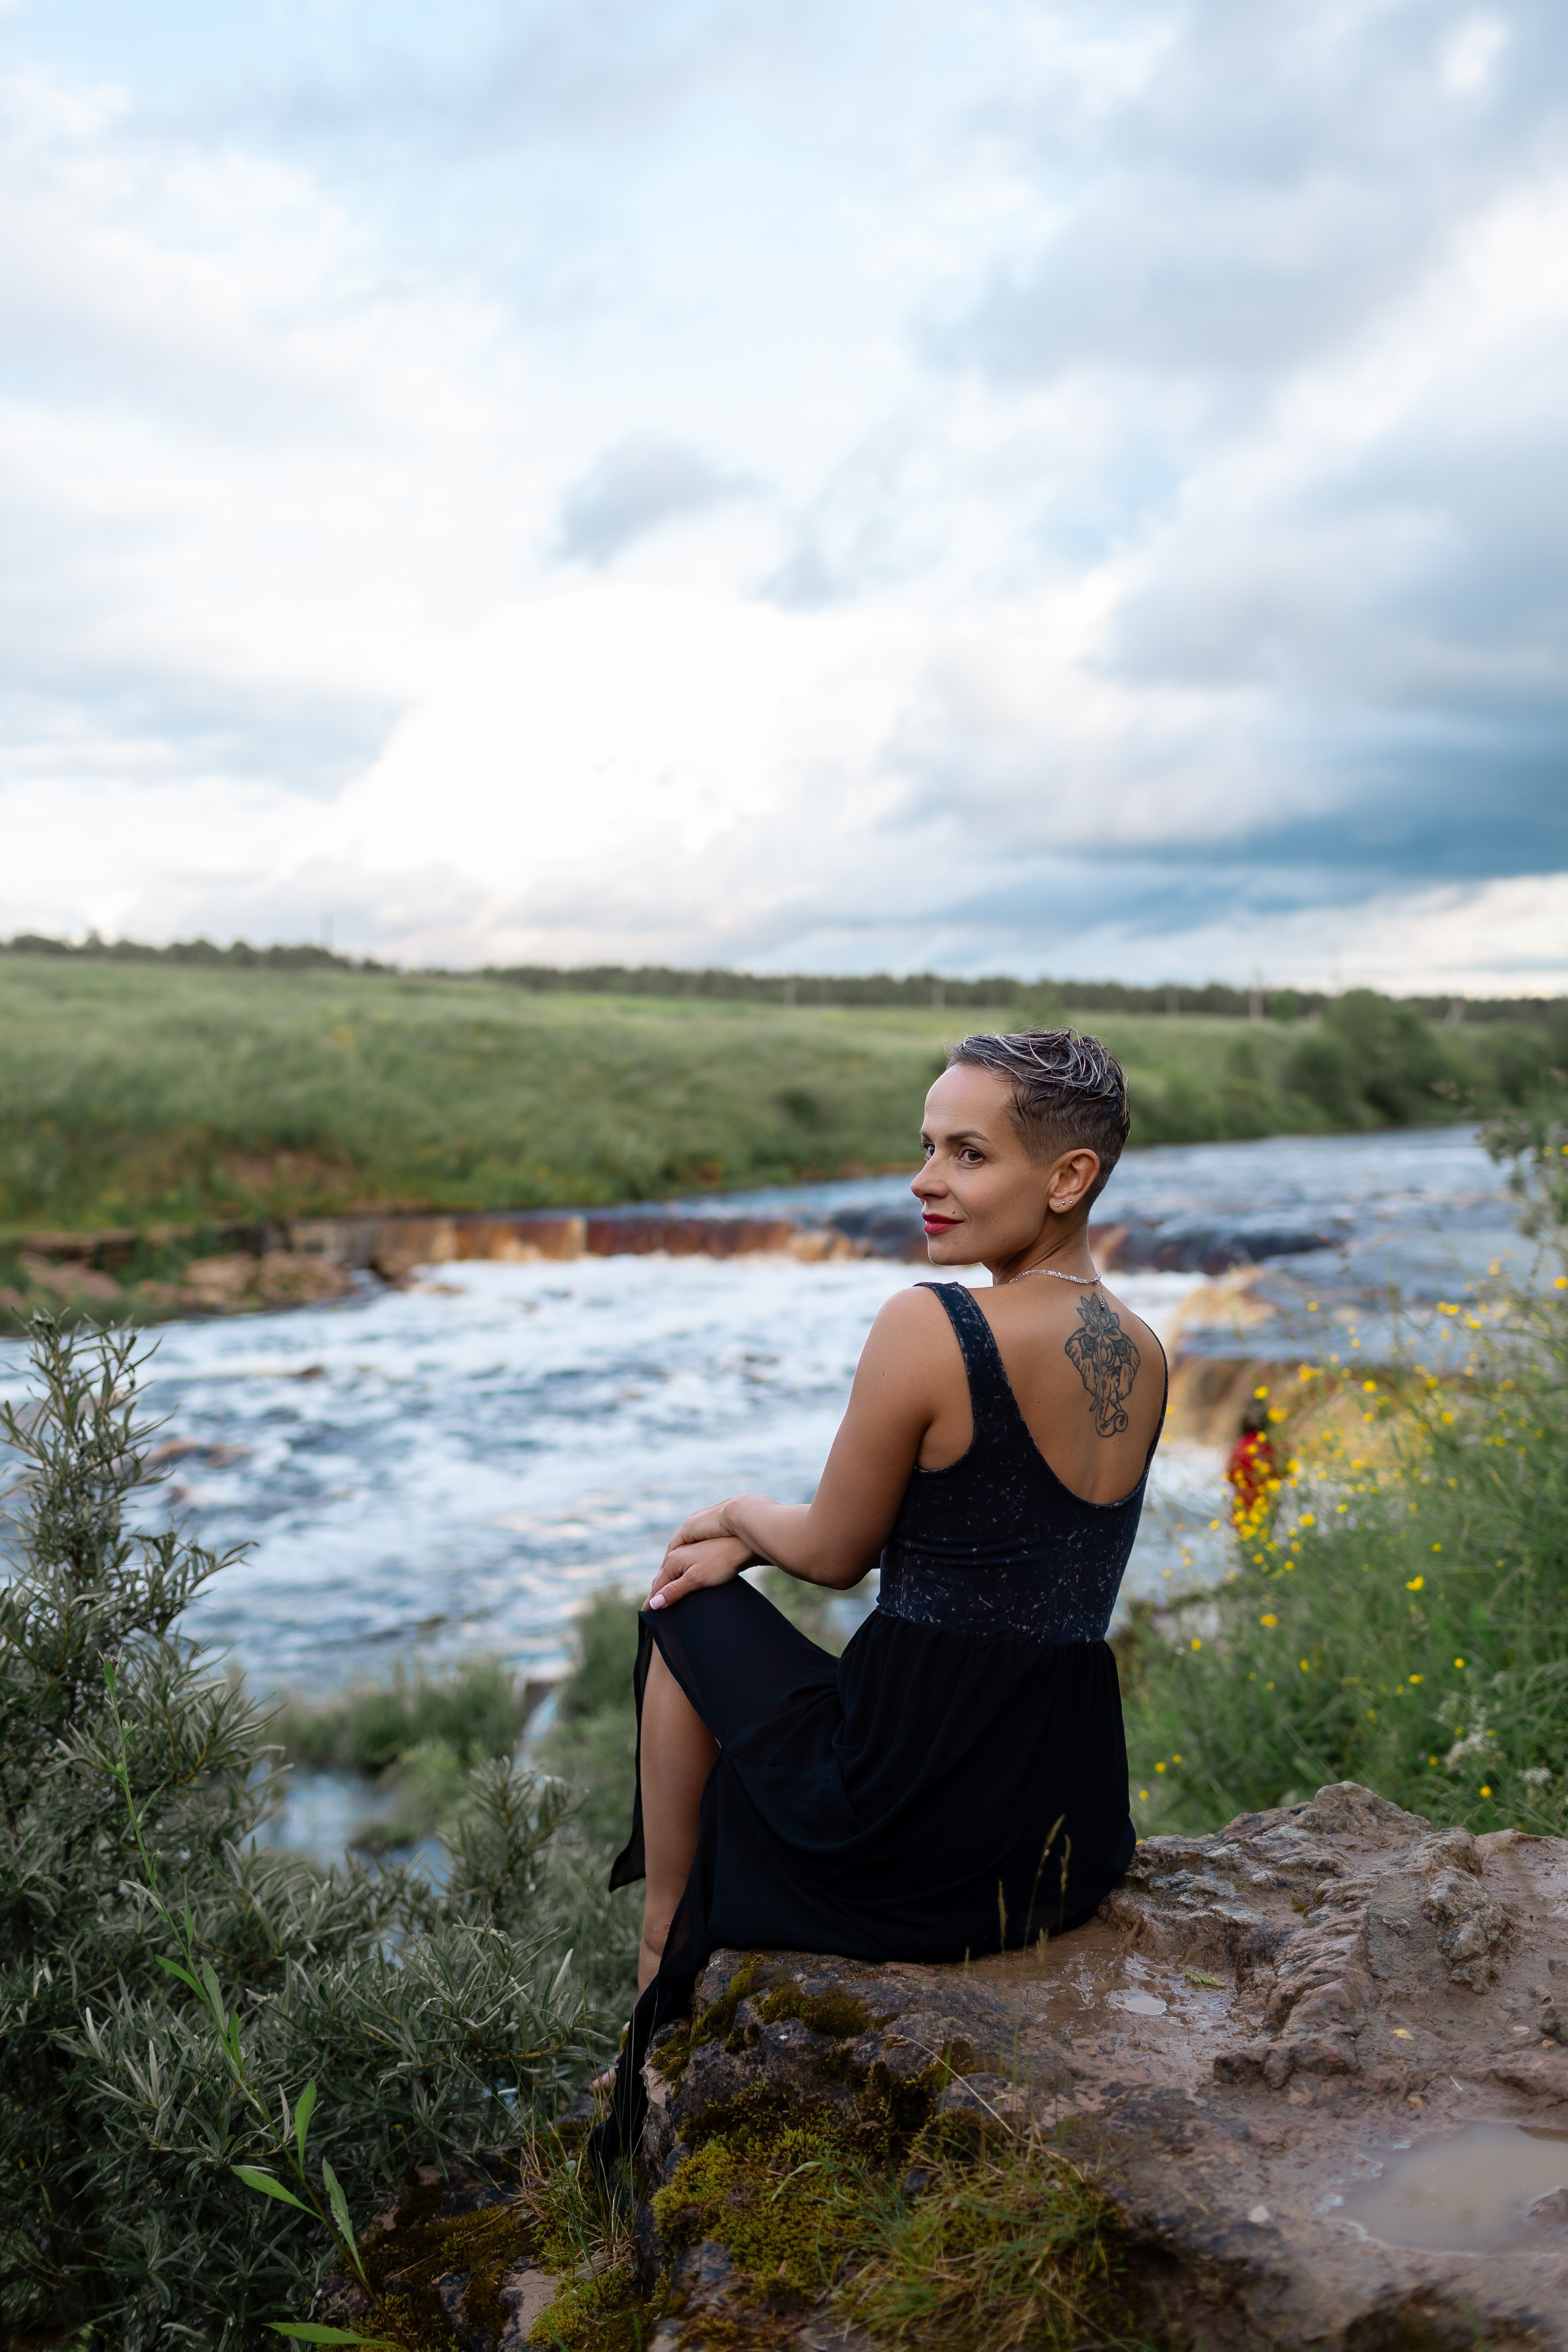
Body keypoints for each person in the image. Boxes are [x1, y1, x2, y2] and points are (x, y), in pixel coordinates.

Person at [590, 1028, 1166, 2162]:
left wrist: (736, 1518)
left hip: (907, 1813)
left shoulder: (933, 1324)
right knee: (722, 1604)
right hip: (1059, 1834)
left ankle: (662, 1943)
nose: (923, 1180)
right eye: (927, 1147)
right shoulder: (1145, 1348)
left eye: (966, 1154)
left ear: (1067, 1178)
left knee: (683, 1608)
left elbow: (833, 1551)